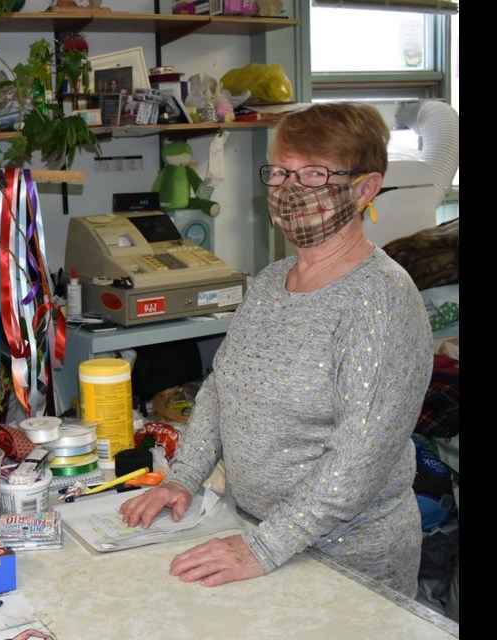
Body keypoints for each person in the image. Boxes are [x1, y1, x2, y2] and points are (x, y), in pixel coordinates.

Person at [119, 102, 433, 597]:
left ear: (365, 189)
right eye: (281, 172)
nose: (291, 190)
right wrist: (182, 479)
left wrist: (263, 548)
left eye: (314, 174)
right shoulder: (268, 283)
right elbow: (220, 393)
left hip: (347, 564)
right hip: (258, 536)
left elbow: (358, 460)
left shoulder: (383, 301)